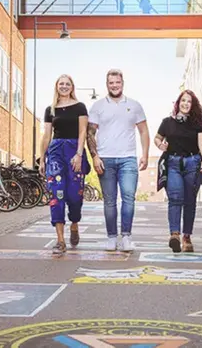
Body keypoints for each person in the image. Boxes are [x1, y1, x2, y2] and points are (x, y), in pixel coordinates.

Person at [87, 69, 150, 252]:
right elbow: (90, 133)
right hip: (105, 159)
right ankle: (112, 237)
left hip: (128, 159)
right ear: (107, 84)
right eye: (111, 83)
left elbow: (143, 131)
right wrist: (95, 157)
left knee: (128, 197)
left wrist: (145, 154)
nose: (114, 85)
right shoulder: (98, 106)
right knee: (109, 200)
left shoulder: (134, 105)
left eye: (117, 82)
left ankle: (127, 236)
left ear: (123, 83)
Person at [39, 75, 90, 254]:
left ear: (72, 87)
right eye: (61, 84)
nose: (64, 86)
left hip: (74, 150)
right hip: (55, 152)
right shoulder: (50, 109)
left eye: (67, 84)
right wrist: (42, 158)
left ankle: (74, 223)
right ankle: (60, 240)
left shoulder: (80, 107)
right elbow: (47, 135)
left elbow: (83, 131)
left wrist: (79, 154)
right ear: (56, 86)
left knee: (75, 195)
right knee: (56, 194)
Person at [154, 90, 202, 253]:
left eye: (189, 101)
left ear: (193, 105)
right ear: (178, 103)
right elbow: (157, 138)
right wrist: (160, 145)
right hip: (173, 163)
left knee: (190, 200)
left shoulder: (197, 123)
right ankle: (175, 235)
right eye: (183, 100)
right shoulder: (167, 122)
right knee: (175, 198)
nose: (186, 104)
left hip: (193, 163)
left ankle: (187, 237)